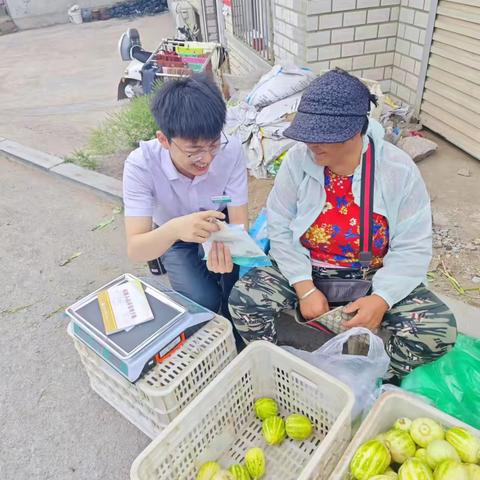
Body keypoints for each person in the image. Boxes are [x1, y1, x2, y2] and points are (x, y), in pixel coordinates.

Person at [229, 69, 456, 379]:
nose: (310, 142)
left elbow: (412, 247)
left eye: (322, 135)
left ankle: (371, 375)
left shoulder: (397, 170)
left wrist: (382, 298)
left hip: (372, 276)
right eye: (308, 133)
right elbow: (280, 228)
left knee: (437, 328)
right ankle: (284, 365)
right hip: (310, 269)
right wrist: (304, 288)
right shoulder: (297, 162)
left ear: (354, 132)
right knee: (246, 298)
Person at [123, 74, 248, 337]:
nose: (207, 159)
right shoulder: (141, 165)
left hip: (220, 228)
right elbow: (137, 247)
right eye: (193, 151)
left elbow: (239, 220)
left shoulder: (232, 150)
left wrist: (230, 242)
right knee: (203, 301)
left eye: (213, 145)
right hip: (173, 234)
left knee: (238, 297)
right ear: (164, 140)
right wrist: (175, 230)